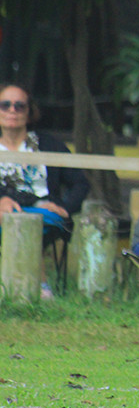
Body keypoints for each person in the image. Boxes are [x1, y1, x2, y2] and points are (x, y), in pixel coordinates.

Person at [0, 82, 90, 298]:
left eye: (19, 106)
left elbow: (81, 182)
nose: (12, 110)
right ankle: (33, 288)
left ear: (29, 111)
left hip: (45, 213)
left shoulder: (49, 144)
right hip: (3, 212)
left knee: (21, 221)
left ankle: (34, 287)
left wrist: (65, 208)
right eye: (5, 105)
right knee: (8, 217)